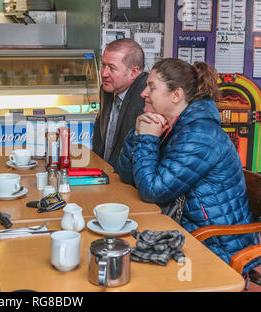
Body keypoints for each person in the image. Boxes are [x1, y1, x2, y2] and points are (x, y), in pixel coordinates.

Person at [116, 58, 260, 274]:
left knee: (125, 263)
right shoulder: (173, 124)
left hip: (216, 242)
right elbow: (127, 176)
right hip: (183, 226)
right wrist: (138, 134)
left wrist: (147, 139)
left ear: (176, 95)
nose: (143, 93)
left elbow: (152, 190)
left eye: (152, 87)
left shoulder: (200, 135)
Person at [92, 38, 147, 170]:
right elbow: (100, 134)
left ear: (133, 72)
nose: (104, 73)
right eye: (103, 65)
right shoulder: (107, 90)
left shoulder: (145, 96)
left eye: (112, 68)